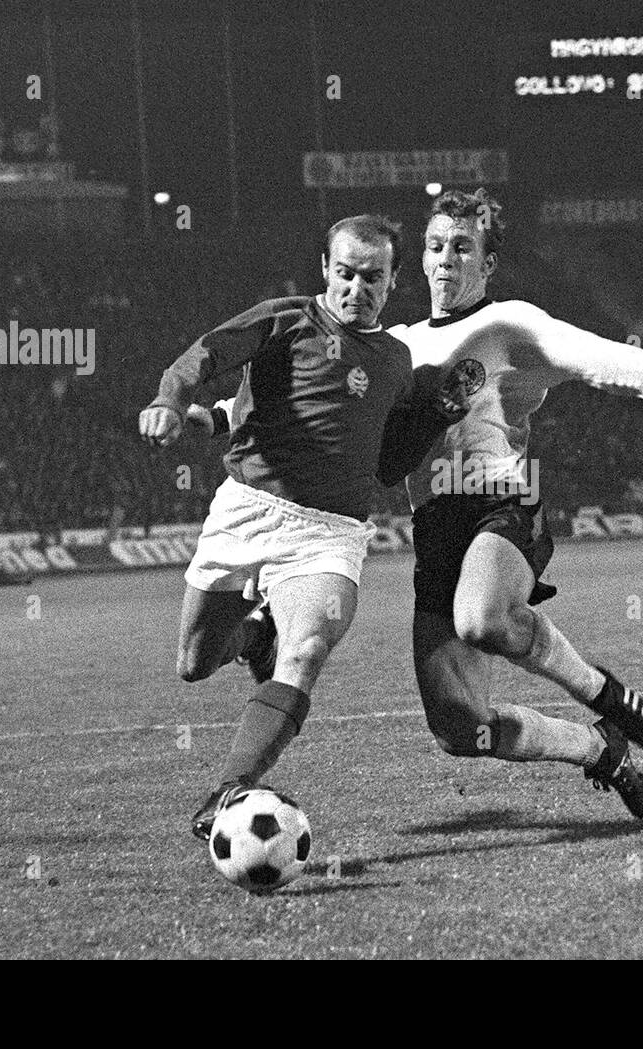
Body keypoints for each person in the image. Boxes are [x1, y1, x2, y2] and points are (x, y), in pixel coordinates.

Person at [388, 189, 643, 819]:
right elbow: (325, 401)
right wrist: (218, 415)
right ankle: (596, 750)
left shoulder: (509, 325)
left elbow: (598, 358)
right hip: (435, 526)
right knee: (460, 729)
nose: (447, 260)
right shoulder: (394, 347)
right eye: (435, 247)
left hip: (502, 503)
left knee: (480, 617)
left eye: (463, 248)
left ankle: (601, 691)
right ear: (422, 261)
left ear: (486, 265)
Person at [138, 214, 464, 840]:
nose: (356, 288)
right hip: (247, 508)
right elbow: (208, 351)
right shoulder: (285, 319)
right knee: (195, 662)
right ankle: (253, 640)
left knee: (309, 645)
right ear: (325, 269)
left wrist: (432, 416)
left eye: (372, 278)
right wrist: (169, 401)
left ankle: (230, 792)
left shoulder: (397, 362)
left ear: (392, 282)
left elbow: (389, 463)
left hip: (330, 531)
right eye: (345, 273)